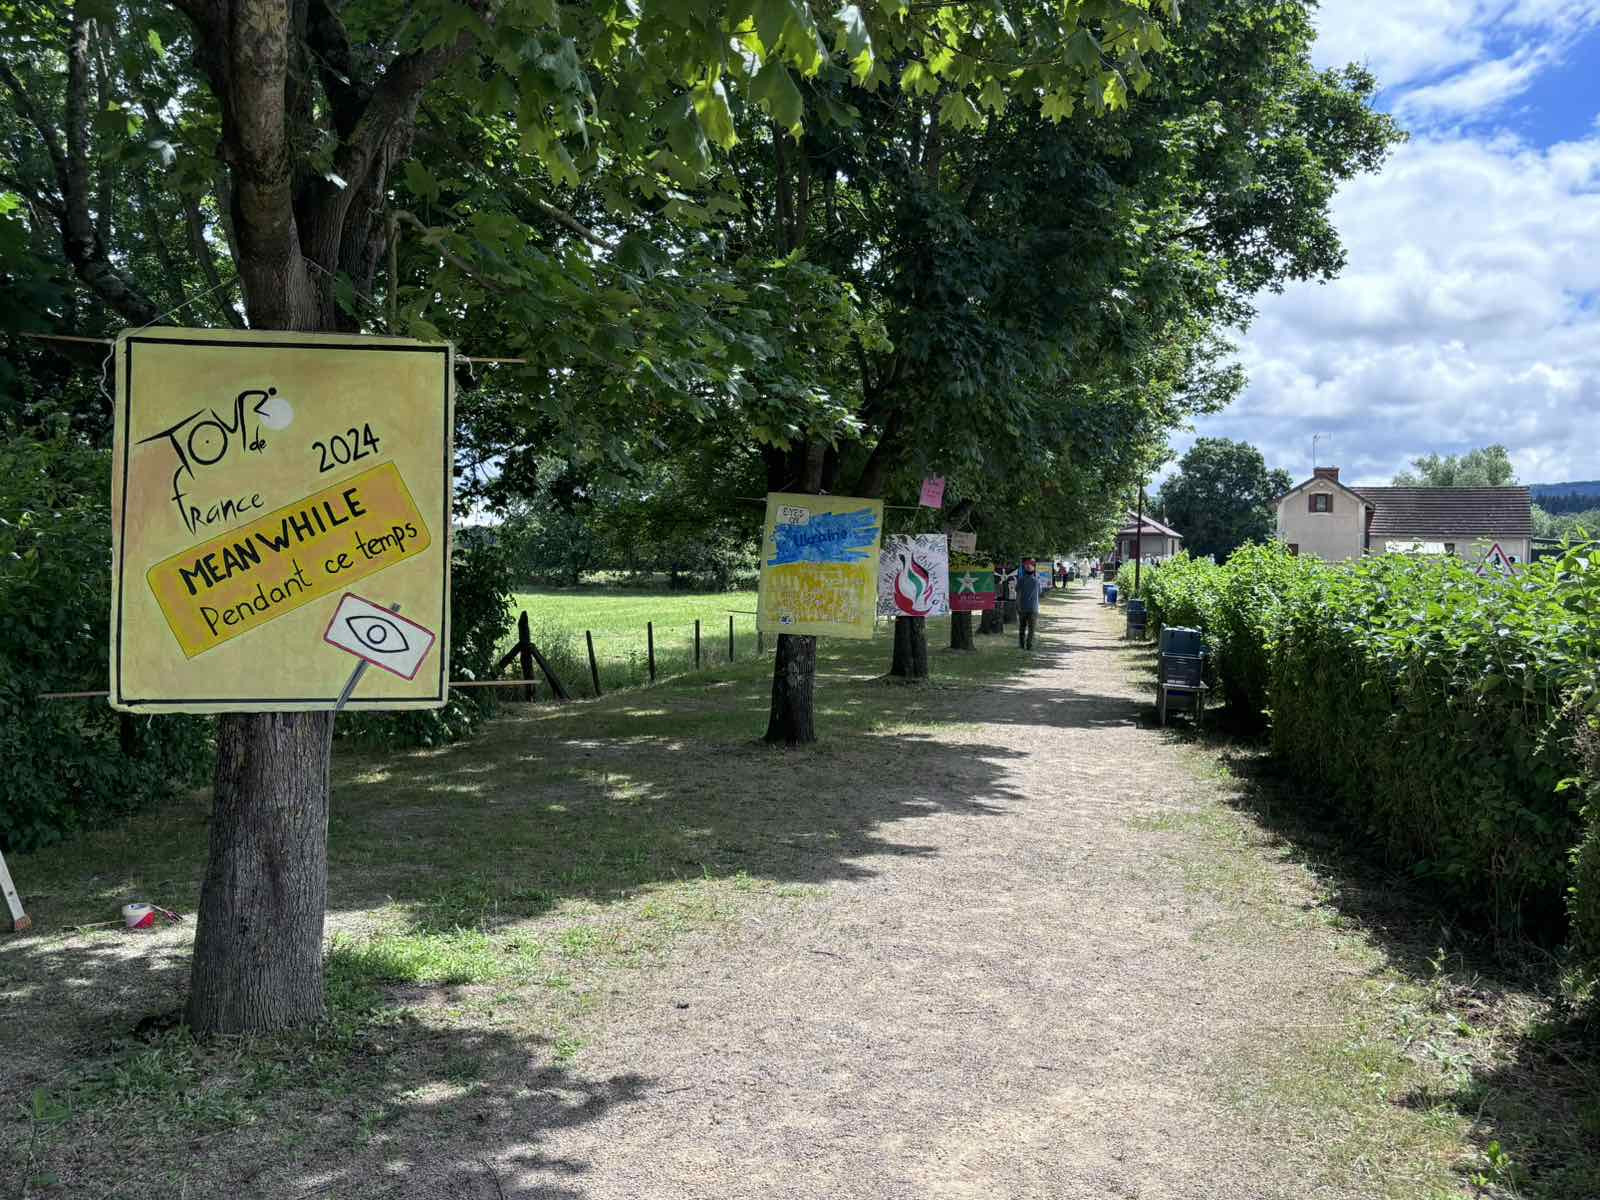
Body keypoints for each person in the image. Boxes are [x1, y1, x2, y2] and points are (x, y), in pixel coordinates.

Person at [1016, 558, 1042, 649]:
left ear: (1024, 571)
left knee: (1022, 627)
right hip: (1033, 608)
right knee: (1031, 628)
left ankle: (1021, 644)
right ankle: (1029, 644)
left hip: (1022, 607)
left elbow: (1018, 593)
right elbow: (1040, 592)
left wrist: (1018, 606)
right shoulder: (1037, 581)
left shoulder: (1020, 580)